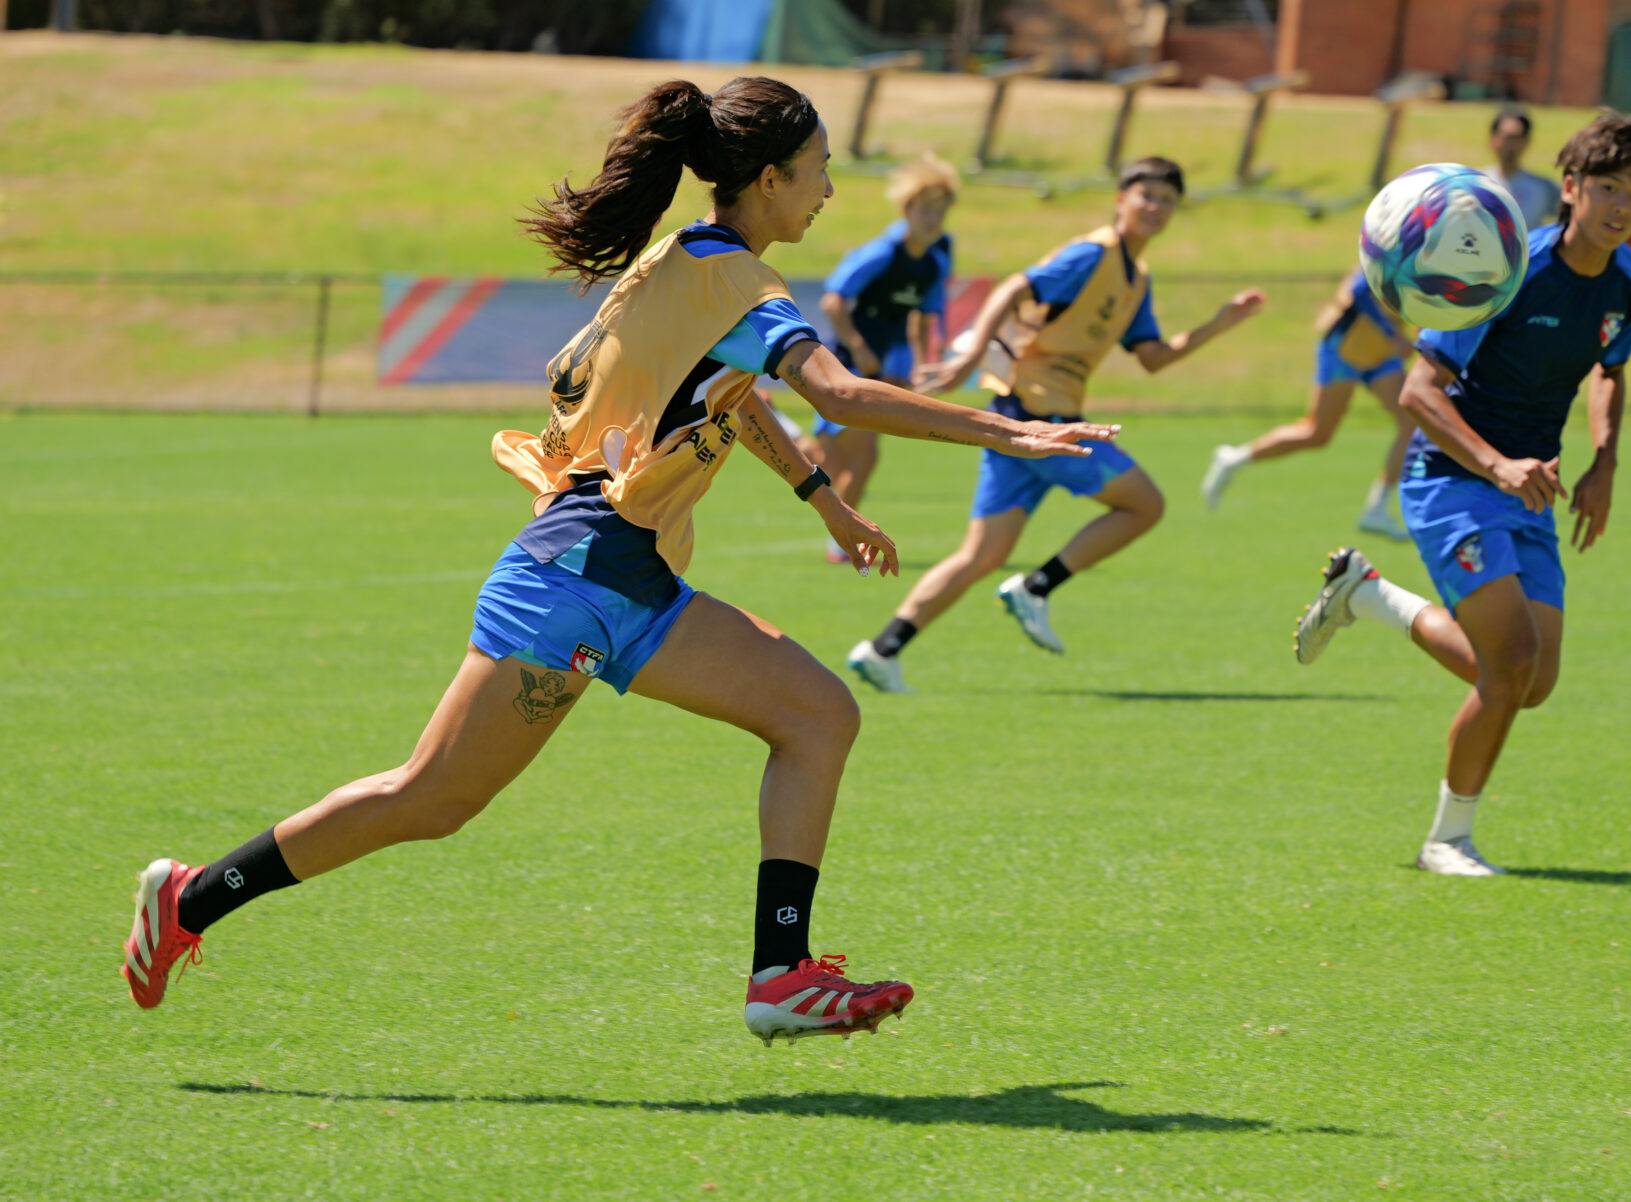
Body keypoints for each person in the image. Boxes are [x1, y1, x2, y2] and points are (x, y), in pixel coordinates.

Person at [118, 77, 1116, 1045]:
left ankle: (782, 975)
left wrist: (821, 495)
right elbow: (841, 394)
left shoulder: (687, 261)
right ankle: (189, 894)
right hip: (577, 575)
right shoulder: (738, 278)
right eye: (819, 168)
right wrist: (1007, 431)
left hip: (625, 578)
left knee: (814, 712)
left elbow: (731, 390)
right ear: (768, 178)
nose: (827, 189)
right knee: (432, 796)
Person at [1290, 110, 1631, 876]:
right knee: (1510, 662)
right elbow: (1419, 393)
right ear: (1569, 188)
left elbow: (1610, 370)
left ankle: (1366, 597)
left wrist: (1605, 464)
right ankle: (1446, 841)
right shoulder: (1504, 270)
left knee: (1534, 682)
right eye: (1607, 187)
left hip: (1530, 487)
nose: (1622, 206)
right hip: (1454, 479)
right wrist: (1496, 465)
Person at [845, 157, 1265, 692]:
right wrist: (974, 351)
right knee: (1144, 504)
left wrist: (1219, 324)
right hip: (1035, 417)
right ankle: (1037, 588)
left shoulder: (1136, 277)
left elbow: (1153, 356)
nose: (1156, 207)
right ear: (1121, 199)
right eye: (1147, 195)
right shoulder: (1093, 254)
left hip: (1022, 418)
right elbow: (1015, 287)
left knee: (981, 555)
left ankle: (882, 650)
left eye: (1167, 199)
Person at [808, 155, 959, 563]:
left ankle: (839, 535)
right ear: (907, 209)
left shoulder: (934, 262)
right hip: (844, 362)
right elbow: (834, 300)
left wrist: (923, 359)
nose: (932, 219)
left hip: (884, 366)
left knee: (842, 456)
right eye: (925, 209)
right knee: (855, 456)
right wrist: (858, 348)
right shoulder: (882, 253)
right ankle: (841, 541)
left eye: (940, 211)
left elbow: (925, 316)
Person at [1200, 268, 1418, 538]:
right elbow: (1359, 290)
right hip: (1344, 346)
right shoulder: (1393, 241)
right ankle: (1234, 459)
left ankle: (1377, 509)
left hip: (1380, 353)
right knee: (1317, 433)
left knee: (1412, 420)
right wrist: (1391, 334)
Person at [1486, 107, 1561, 230]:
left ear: (1526, 141)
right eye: (1507, 137)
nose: (1511, 145)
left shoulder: (1544, 187)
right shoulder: (1475, 182)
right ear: (1493, 139)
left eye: (1517, 138)